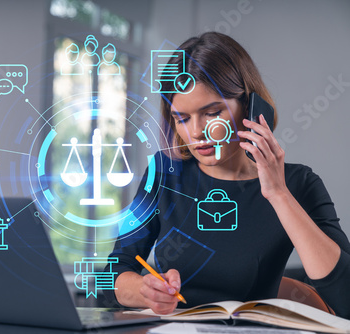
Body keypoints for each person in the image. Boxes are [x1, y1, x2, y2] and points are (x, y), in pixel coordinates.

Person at [104, 32, 350, 319]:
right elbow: (111, 276)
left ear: (250, 107)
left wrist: (278, 194)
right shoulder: (164, 175)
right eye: (181, 118)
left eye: (211, 113)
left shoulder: (299, 184)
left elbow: (344, 296)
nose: (195, 133)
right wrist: (144, 289)